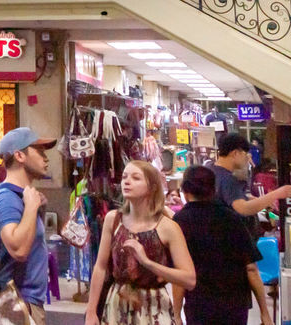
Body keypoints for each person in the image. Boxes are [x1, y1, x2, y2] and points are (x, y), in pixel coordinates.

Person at [85, 160, 196, 325]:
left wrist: (147, 263)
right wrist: (91, 311)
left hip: (154, 307)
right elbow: (100, 267)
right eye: (124, 177)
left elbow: (189, 279)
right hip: (118, 304)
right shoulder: (113, 219)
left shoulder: (168, 226)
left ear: (151, 187)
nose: (127, 181)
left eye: (136, 178)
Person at [171, 165, 271, 325]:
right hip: (235, 305)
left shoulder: (180, 222)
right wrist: (265, 313)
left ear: (185, 191)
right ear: (213, 189)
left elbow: (179, 276)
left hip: (199, 306)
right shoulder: (232, 218)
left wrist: (176, 315)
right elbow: (251, 268)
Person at [0, 126, 56, 324]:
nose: (46, 158)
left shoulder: (21, 196)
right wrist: (31, 207)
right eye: (39, 152)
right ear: (19, 155)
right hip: (18, 305)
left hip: (27, 303)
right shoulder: (7, 198)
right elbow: (18, 249)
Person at [208, 132, 291, 241]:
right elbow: (244, 208)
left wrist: (256, 200)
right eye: (246, 153)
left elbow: (225, 201)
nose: (248, 157)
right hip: (229, 243)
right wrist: (278, 193)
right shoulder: (228, 179)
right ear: (235, 153)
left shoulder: (211, 171)